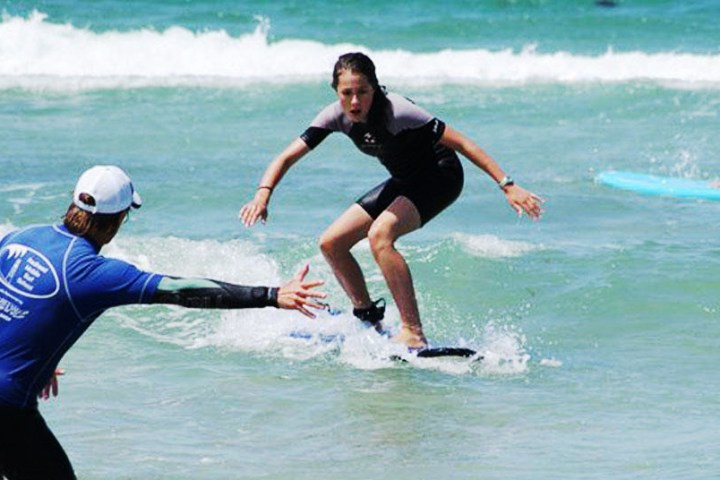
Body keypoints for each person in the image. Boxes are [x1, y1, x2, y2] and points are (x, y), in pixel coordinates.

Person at [0, 165, 326, 480]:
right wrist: (270, 294)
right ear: (117, 221)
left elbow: (18, 303)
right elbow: (181, 290)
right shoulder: (92, 273)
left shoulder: (20, 237)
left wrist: (33, 350)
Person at [240, 52, 543, 350]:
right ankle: (367, 318)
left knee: (380, 236)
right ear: (337, 92)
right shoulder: (334, 116)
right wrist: (263, 194)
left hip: (440, 176)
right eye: (347, 93)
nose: (355, 102)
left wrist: (507, 185)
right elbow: (287, 156)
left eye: (362, 92)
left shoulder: (398, 111)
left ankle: (413, 331)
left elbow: (462, 143)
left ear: (375, 88)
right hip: (404, 181)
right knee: (331, 242)